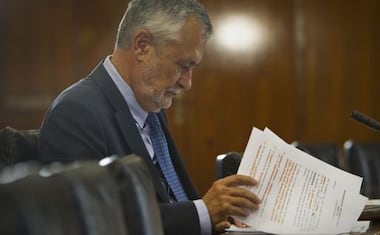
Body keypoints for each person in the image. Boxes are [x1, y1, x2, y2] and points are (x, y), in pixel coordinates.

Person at [38, 0, 260, 234]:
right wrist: (203, 212)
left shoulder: (149, 107)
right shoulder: (75, 113)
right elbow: (96, 221)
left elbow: (170, 201)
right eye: (183, 65)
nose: (187, 82)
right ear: (142, 46)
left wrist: (216, 217)